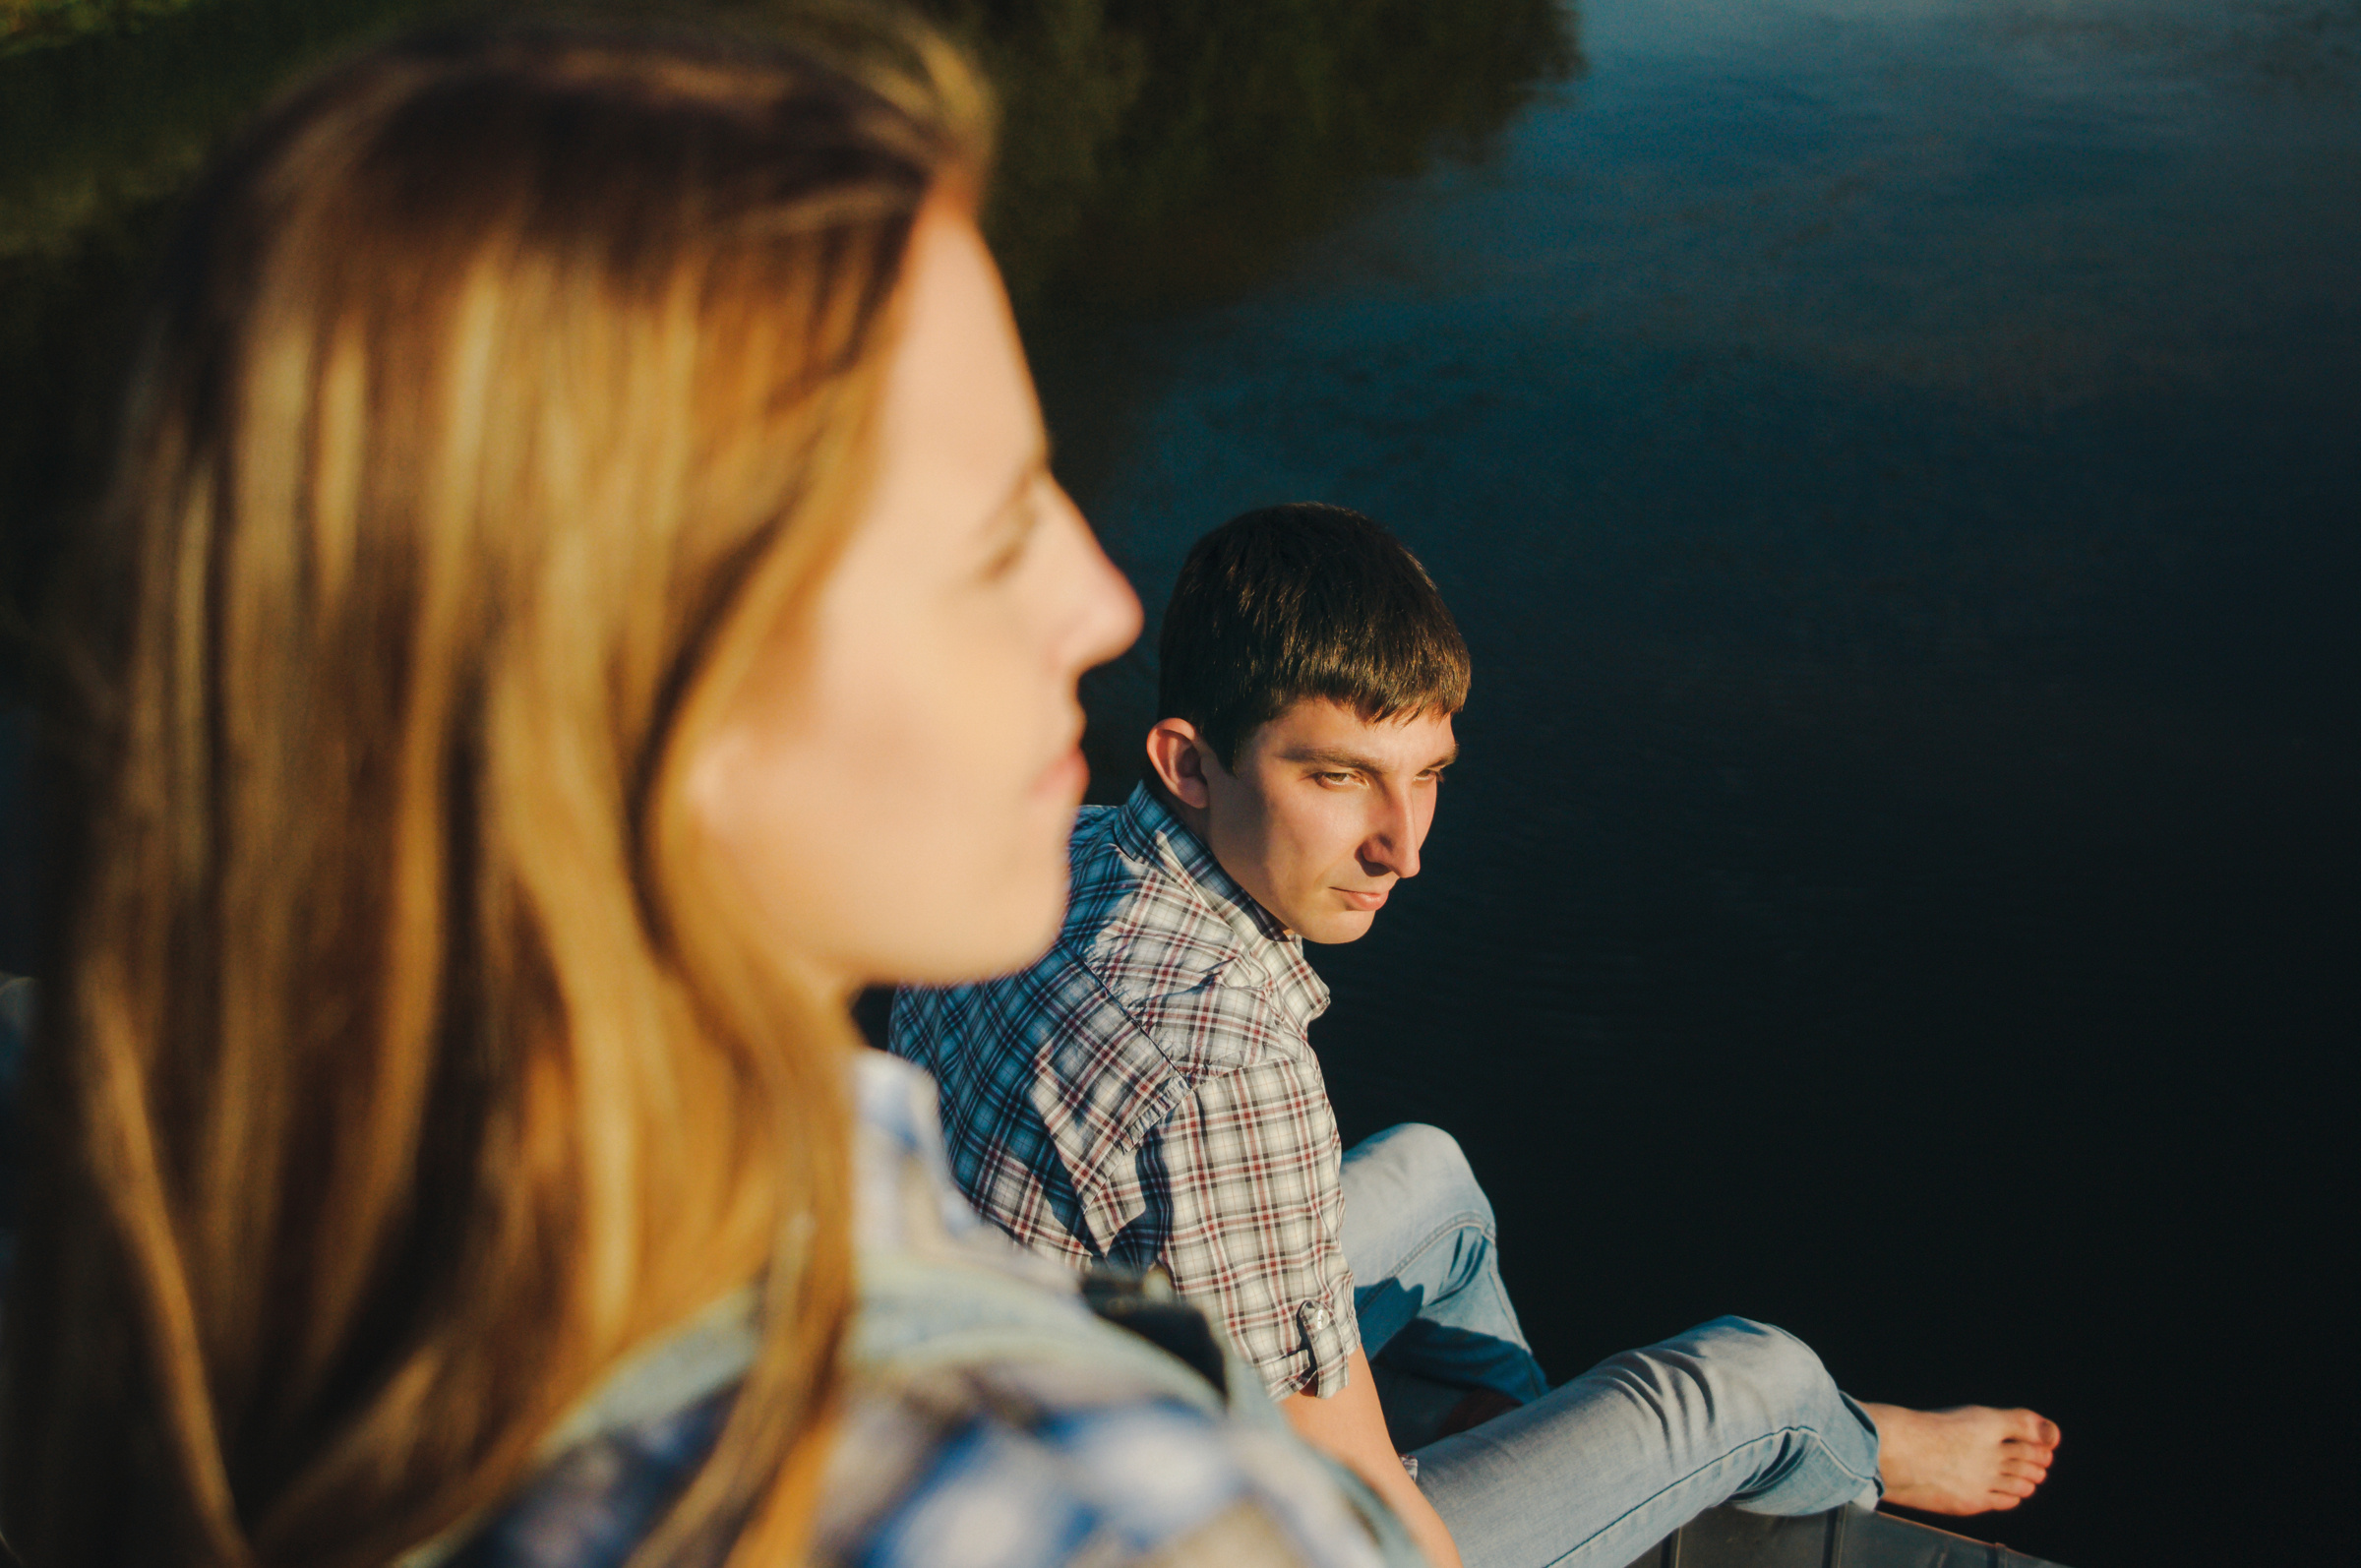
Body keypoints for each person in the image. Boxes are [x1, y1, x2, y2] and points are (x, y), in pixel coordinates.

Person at [0, 23, 1441, 1568]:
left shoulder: (160, 1227)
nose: (1094, 605)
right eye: (991, 535)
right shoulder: (1113, 1513)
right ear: (646, 688)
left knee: (1436, 1189)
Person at [890, 504, 2064, 1568]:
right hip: (1150, 1520)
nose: (1404, 846)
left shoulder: (1064, 852)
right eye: (1341, 777)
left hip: (1042, 1381)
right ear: (1191, 762)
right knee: (1746, 1377)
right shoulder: (1224, 1058)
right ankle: (1859, 1453)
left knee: (1435, 1180)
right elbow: (1322, 1496)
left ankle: (1501, 1440)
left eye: (1428, 774)